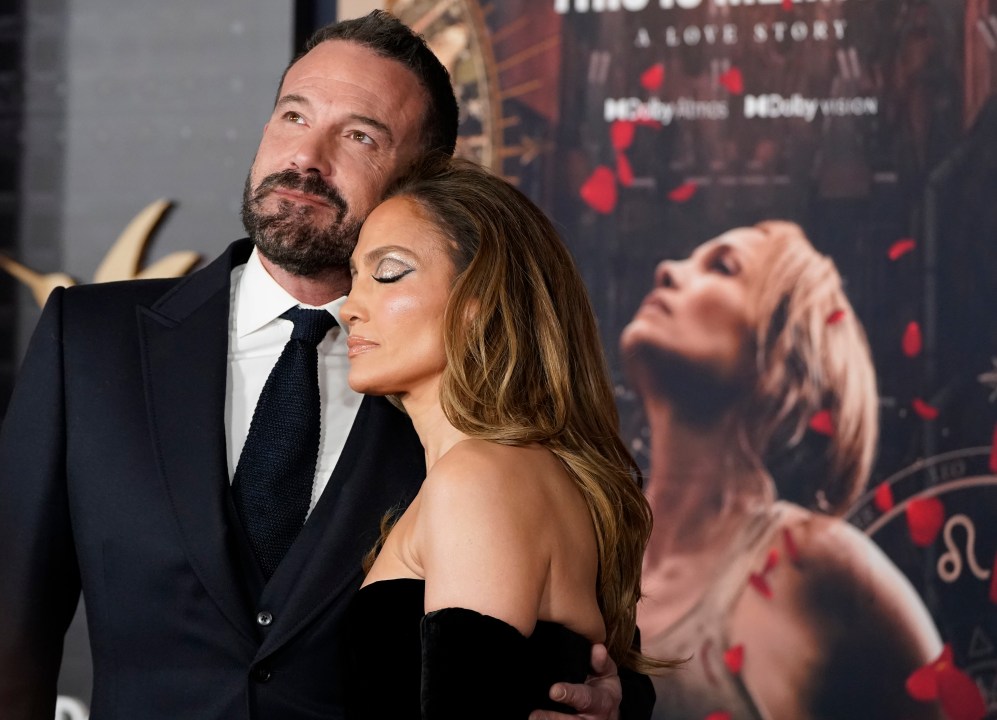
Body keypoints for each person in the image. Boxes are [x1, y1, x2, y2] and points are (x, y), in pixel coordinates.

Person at [0, 11, 649, 720]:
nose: (306, 156)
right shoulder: (92, 340)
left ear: (425, 177)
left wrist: (614, 702)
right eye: (293, 115)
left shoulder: (458, 400)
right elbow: (11, 623)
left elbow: (572, 638)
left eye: (359, 135)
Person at [337, 154, 671, 719]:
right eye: (353, 277)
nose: (350, 308)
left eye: (388, 272)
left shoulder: (481, 475)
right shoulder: (502, 471)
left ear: (477, 304)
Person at [620, 220, 945, 719]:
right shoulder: (590, 542)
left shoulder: (816, 568)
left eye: (723, 267)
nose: (668, 270)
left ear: (783, 354)